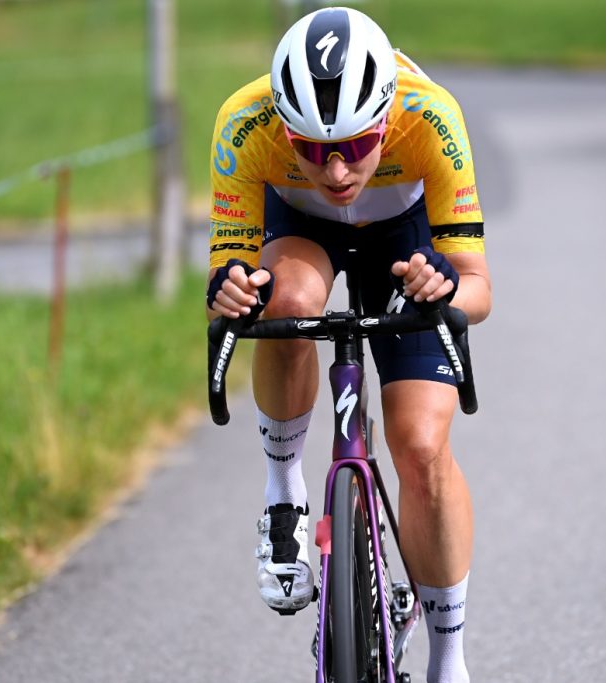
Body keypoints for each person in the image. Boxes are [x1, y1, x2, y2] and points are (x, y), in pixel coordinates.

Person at [205, 7, 490, 682]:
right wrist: (230, 294)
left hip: (405, 238)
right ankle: (284, 496)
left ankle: (448, 658)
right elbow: (231, 278)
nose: (336, 170)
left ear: (388, 115)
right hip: (302, 229)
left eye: (359, 145)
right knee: (286, 302)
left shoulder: (431, 116)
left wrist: (444, 291)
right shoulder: (243, 126)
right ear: (282, 125)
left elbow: (479, 289)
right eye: (310, 148)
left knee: (420, 445)